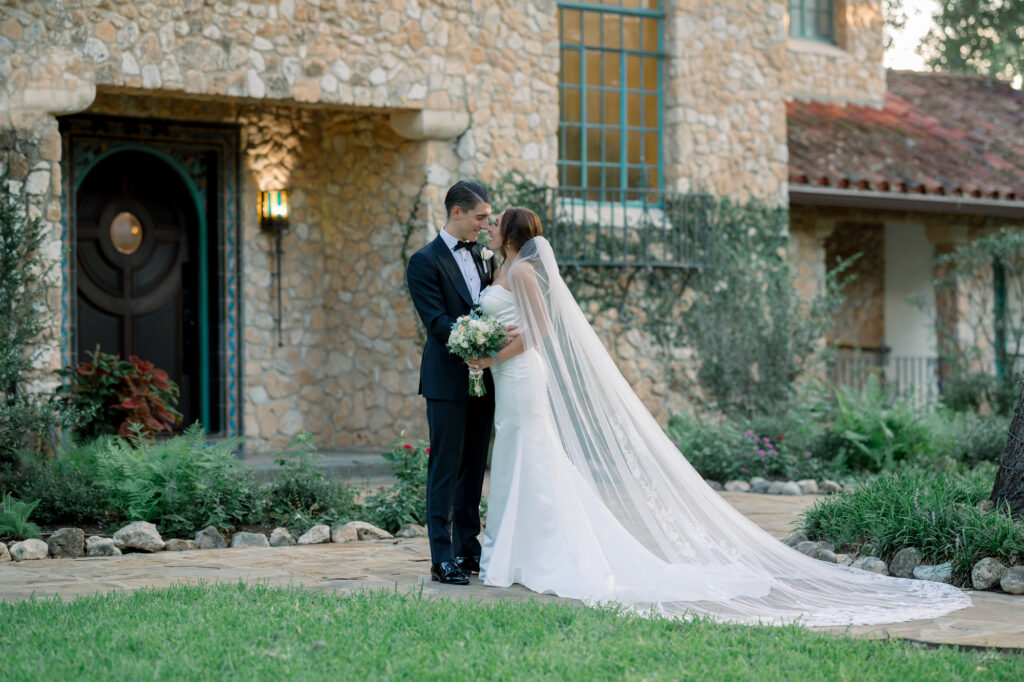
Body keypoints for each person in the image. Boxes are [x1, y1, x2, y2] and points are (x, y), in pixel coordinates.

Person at [466, 207, 971, 626]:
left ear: (511, 234)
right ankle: (512, 552)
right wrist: (481, 348)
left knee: (533, 452)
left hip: (523, 376)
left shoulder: (526, 273)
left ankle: (536, 553)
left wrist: (489, 358)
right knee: (513, 454)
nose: (488, 228)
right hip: (505, 382)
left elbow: (539, 332)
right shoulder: (498, 270)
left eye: (495, 223)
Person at [406, 180, 498, 585]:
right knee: (445, 467)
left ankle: (468, 548)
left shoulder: (483, 256)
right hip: (447, 378)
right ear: (456, 212)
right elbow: (436, 321)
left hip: (486, 378)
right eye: (480, 217)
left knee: (475, 466)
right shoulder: (423, 261)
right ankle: (441, 557)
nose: (485, 224)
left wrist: (491, 348)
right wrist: (474, 341)